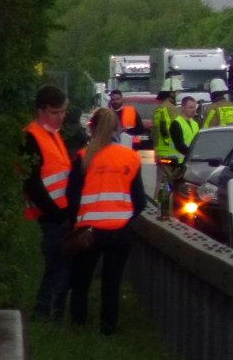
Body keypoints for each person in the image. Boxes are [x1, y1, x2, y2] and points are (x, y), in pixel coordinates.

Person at [68, 108, 146, 335]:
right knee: (111, 285)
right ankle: (107, 330)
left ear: (91, 127)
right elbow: (139, 201)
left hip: (89, 230)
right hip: (120, 232)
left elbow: (72, 198)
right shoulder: (130, 157)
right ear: (116, 129)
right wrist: (124, 218)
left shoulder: (84, 157)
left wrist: (75, 223)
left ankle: (78, 325)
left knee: (81, 281)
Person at [22, 85, 76, 320]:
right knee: (57, 266)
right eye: (55, 112)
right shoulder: (31, 136)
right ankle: (45, 313)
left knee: (60, 265)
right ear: (41, 110)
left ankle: (51, 313)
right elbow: (32, 183)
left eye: (63, 111)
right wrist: (55, 214)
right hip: (52, 215)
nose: (60, 116)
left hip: (61, 213)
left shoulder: (53, 134)